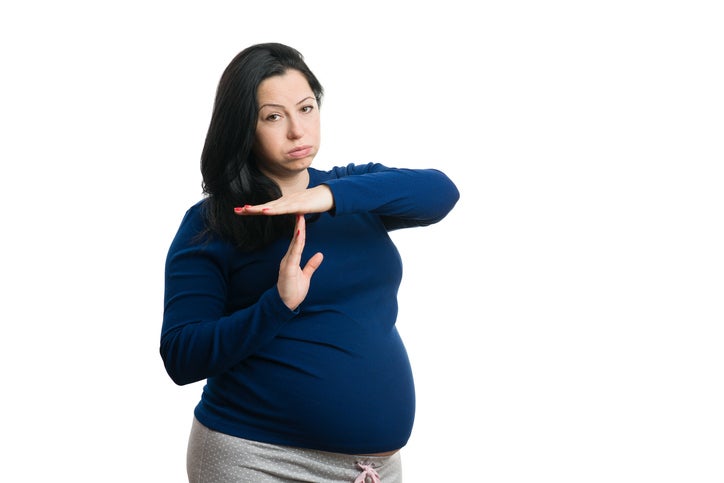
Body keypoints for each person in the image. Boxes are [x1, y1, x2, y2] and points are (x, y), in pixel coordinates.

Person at [160, 42, 459, 482]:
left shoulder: (351, 191)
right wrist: (276, 306)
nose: (298, 131)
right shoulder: (212, 223)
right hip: (256, 458)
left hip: (373, 468)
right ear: (243, 126)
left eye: (306, 108)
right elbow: (181, 356)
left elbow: (440, 192)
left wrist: (328, 195)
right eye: (273, 116)